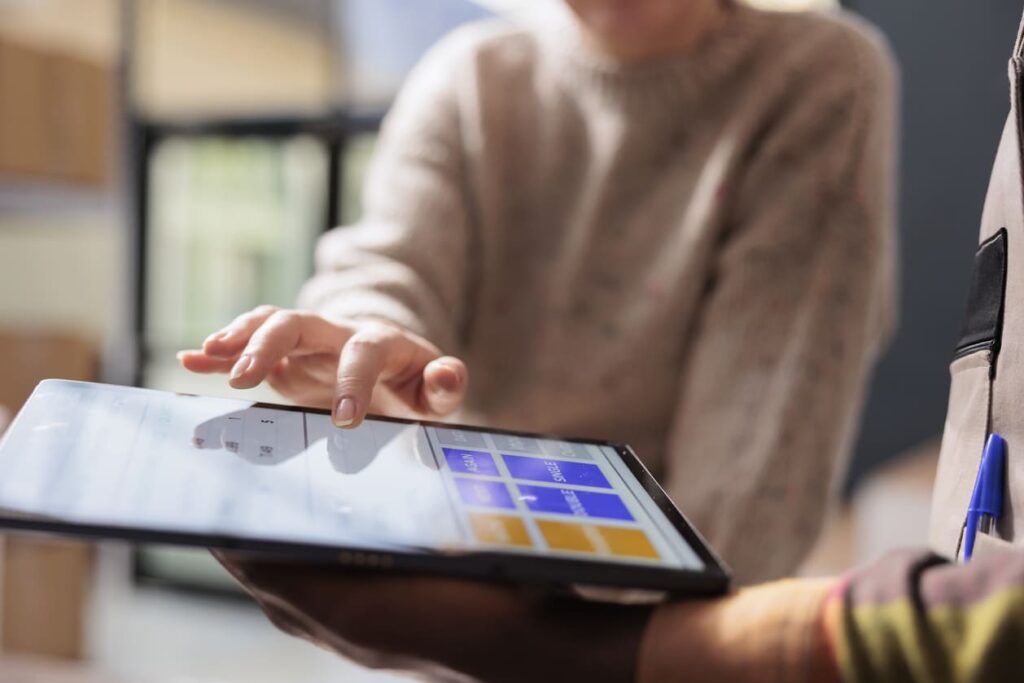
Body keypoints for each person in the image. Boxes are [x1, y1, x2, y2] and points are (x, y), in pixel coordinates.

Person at [179, 0, 897, 585]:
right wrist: (360, 340)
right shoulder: (471, 77)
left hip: (661, 637)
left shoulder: (816, 76)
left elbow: (750, 479)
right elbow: (389, 260)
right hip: (459, 581)